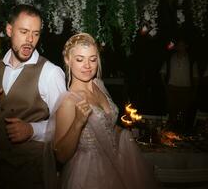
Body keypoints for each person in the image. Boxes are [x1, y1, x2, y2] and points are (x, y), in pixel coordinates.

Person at [45, 33, 159, 189]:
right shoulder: (68, 101)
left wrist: (124, 133)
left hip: (117, 164)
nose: (88, 66)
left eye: (92, 59)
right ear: (67, 60)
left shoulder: (99, 85)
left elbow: (107, 124)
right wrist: (78, 123)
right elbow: (61, 155)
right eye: (80, 59)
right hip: (87, 174)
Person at [0, 4, 66, 189]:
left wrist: (33, 130)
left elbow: (65, 126)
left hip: (35, 174)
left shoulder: (50, 72)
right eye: (24, 31)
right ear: (9, 30)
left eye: (36, 33)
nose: (30, 40)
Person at [160, 40, 199, 133]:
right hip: (172, 89)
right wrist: (166, 87)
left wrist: (194, 91)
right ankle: (169, 134)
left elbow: (196, 77)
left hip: (186, 90)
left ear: (186, 46)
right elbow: (162, 73)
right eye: (179, 45)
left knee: (184, 114)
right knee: (171, 113)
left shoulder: (191, 60)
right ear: (176, 47)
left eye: (182, 45)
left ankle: (181, 134)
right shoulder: (170, 59)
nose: (180, 47)